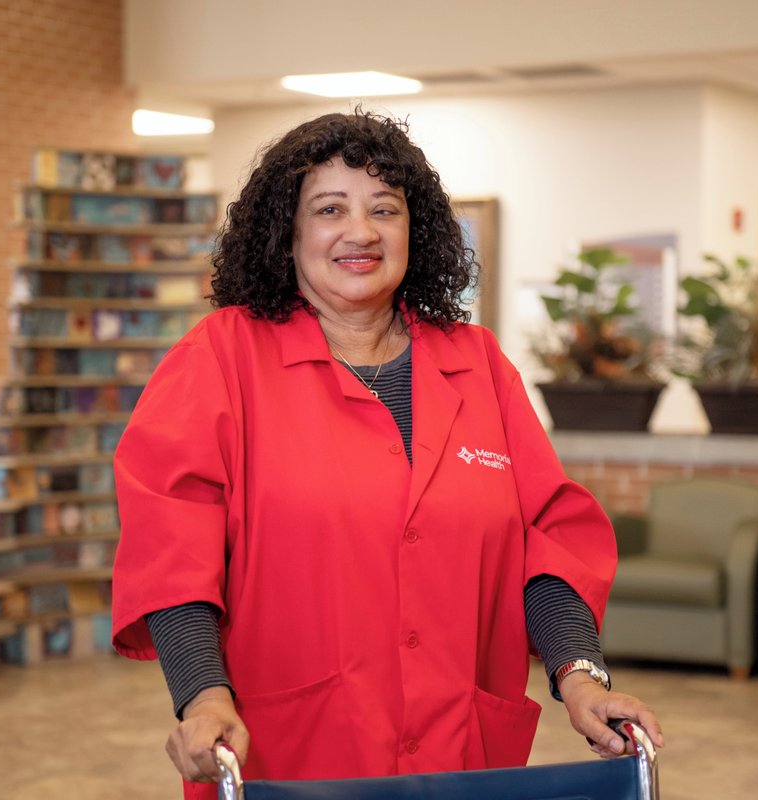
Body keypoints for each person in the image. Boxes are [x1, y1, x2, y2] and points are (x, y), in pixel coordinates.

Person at [110, 109, 664, 799]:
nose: (361, 232)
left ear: (416, 229)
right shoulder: (221, 358)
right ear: (287, 232)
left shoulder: (478, 364)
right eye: (329, 208)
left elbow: (548, 537)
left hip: (462, 764)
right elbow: (173, 547)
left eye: (384, 208)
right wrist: (202, 697)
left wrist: (581, 677)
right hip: (291, 762)